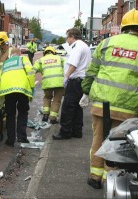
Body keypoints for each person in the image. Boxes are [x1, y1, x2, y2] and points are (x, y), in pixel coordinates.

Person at [81, 9, 138, 189]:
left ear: (124, 26)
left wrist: (87, 91)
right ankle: (109, 179)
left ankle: (95, 177)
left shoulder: (106, 43)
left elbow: (92, 72)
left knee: (99, 139)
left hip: (101, 104)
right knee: (119, 145)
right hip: (129, 106)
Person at [52, 28, 91, 140]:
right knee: (78, 108)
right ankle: (77, 131)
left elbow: (73, 64)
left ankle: (65, 132)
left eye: (67, 37)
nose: (66, 39)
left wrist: (66, 77)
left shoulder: (76, 46)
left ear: (72, 37)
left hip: (75, 81)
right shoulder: (84, 46)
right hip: (82, 81)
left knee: (68, 107)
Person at [0, 48, 35, 147]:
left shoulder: (5, 63)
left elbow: (0, 77)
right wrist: (32, 87)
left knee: (10, 114)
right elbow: (31, 73)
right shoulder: (23, 59)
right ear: (19, 54)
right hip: (22, 89)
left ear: (11, 55)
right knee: (23, 112)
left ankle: (10, 139)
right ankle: (22, 137)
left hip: (8, 90)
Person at [33, 46, 64, 124]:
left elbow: (33, 70)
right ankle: (53, 118)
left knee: (47, 98)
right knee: (56, 100)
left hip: (47, 82)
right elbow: (67, 67)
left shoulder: (40, 60)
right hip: (59, 82)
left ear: (44, 53)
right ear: (53, 52)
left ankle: (45, 116)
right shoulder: (60, 58)